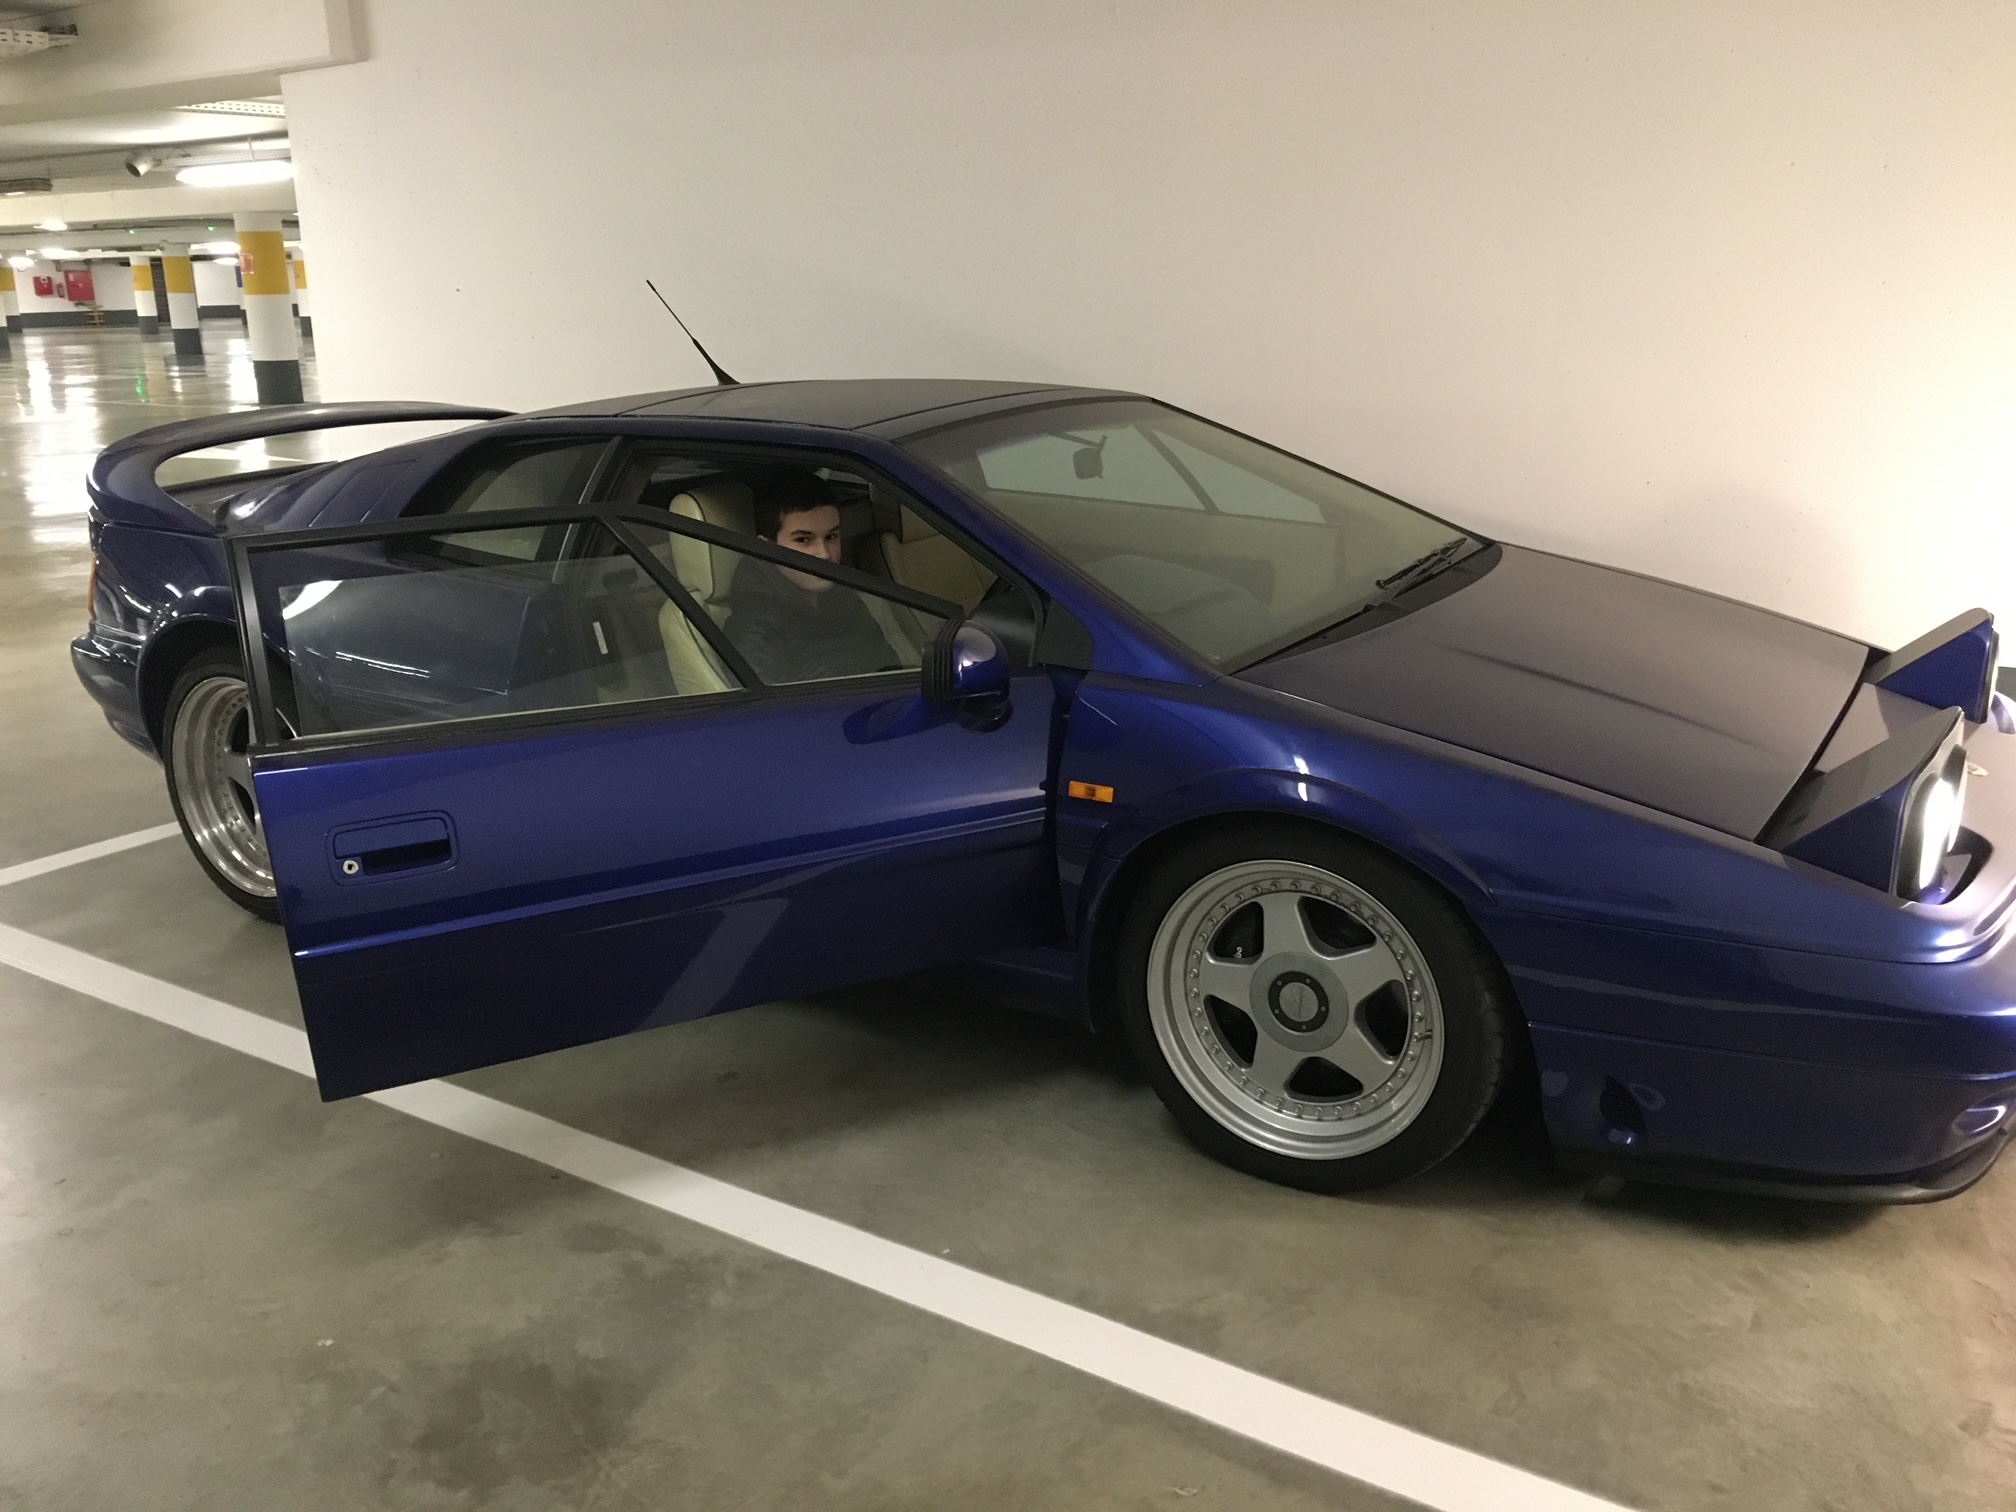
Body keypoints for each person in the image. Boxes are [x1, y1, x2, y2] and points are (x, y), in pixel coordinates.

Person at [723, 471, 898, 683]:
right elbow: (771, 703)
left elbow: (891, 669)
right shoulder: (756, 627)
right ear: (766, 549)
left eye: (831, 537)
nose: (824, 554)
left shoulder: (845, 599)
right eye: (803, 540)